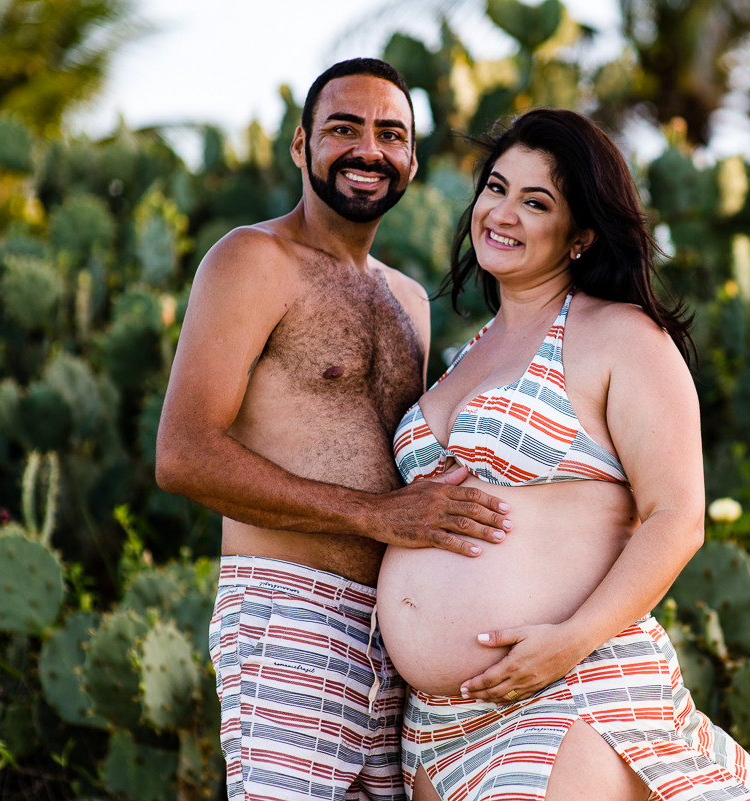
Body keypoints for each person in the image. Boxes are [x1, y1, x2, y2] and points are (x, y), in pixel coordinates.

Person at [378, 109, 750, 801]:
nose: (502, 213)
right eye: (496, 188)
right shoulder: (461, 356)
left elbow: (677, 515)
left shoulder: (618, 335)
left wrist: (568, 641)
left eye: (535, 201)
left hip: (566, 691)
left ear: (581, 235)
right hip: (436, 726)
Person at [154, 59, 514, 801]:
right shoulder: (252, 259)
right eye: (344, 128)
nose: (368, 150)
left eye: (391, 134)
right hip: (289, 609)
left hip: (392, 633)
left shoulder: (409, 299)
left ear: (412, 158)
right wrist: (375, 516)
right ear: (300, 145)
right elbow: (183, 454)